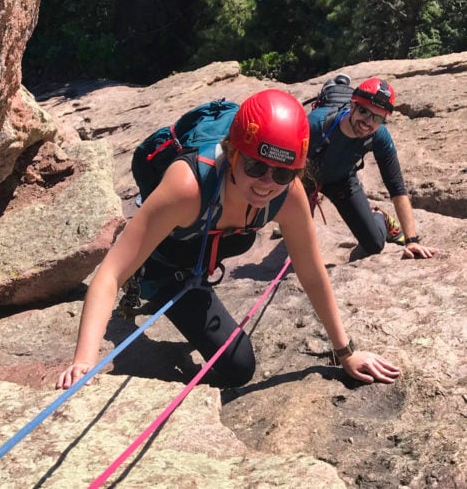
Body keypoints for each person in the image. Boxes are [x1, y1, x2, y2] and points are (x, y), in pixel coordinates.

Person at [56, 89, 400, 390]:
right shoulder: (187, 187)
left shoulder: (289, 194)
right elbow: (109, 274)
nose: (266, 182)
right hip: (169, 261)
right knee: (145, 264)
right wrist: (84, 363)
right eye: (255, 167)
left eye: (282, 172)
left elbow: (311, 273)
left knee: (238, 368)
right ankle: (143, 258)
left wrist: (346, 353)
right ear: (232, 152)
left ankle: (149, 247)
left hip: (203, 255)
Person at [301, 77, 436, 260]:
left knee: (373, 244)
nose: (367, 121)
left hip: (342, 180)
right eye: (363, 111)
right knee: (297, 234)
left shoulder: (380, 137)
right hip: (306, 178)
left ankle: (380, 217)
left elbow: (396, 187)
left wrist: (411, 241)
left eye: (377, 117)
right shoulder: (315, 124)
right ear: (352, 105)